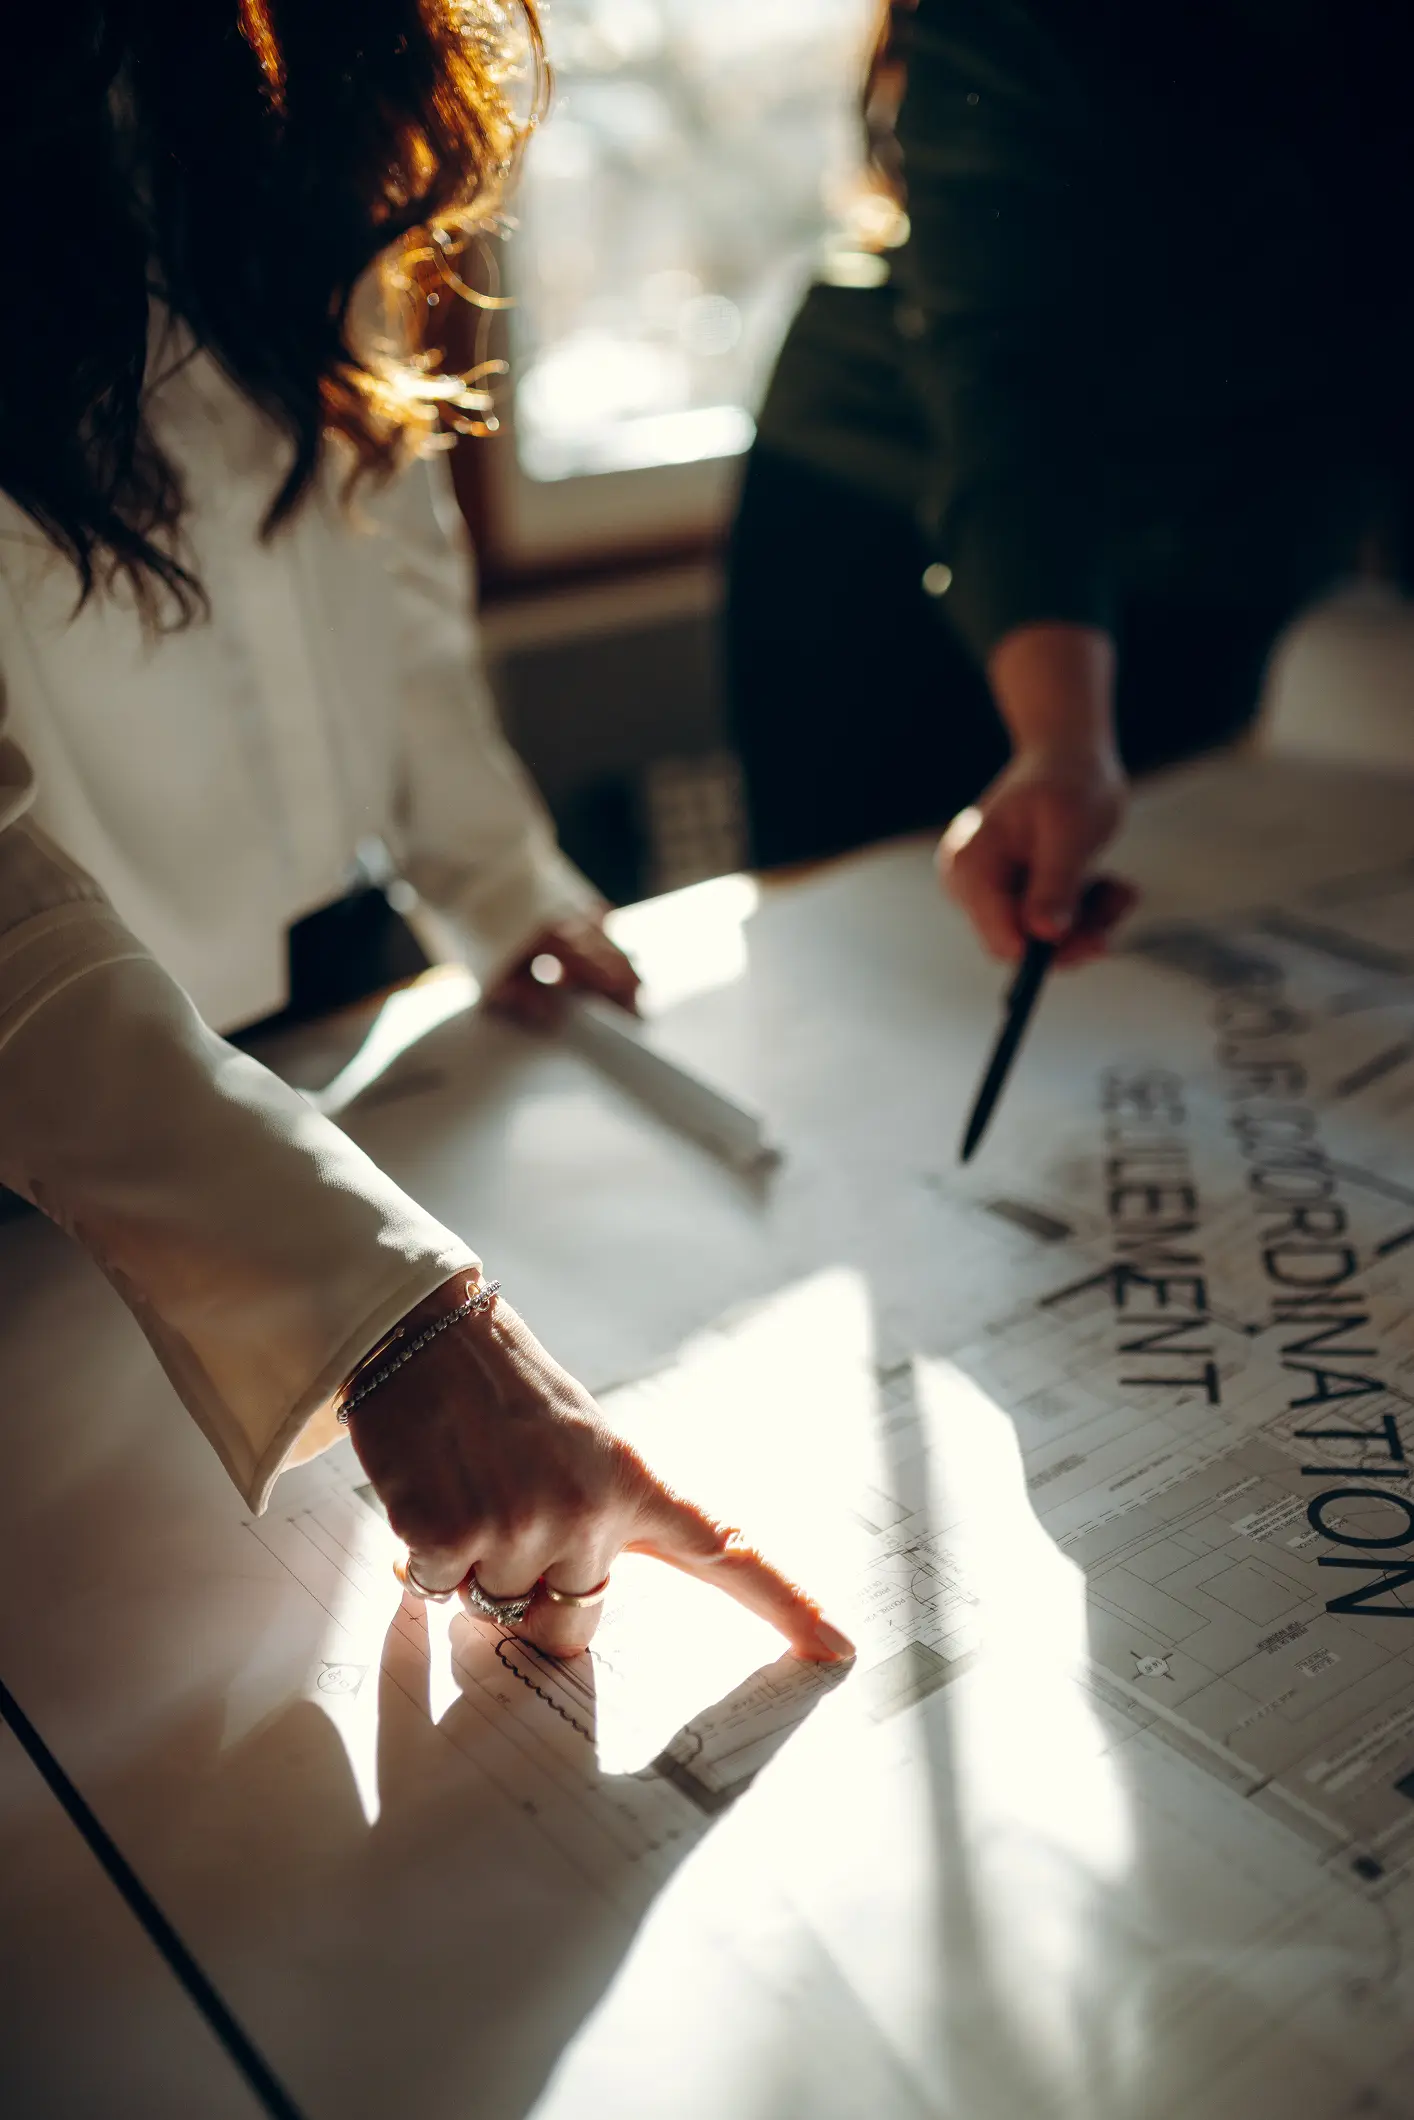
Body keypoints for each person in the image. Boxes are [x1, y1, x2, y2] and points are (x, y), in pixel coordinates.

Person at [0, 4, 851, 1664]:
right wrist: (386, 1323)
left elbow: (378, 518)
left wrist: (491, 873)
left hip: (321, 958)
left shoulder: (299, 60)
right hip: (56, 1047)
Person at [726, 0, 1414, 969]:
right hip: (908, 509)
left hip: (1221, 533)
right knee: (884, 955)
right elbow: (1010, 385)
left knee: (1177, 930)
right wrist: (1059, 737)